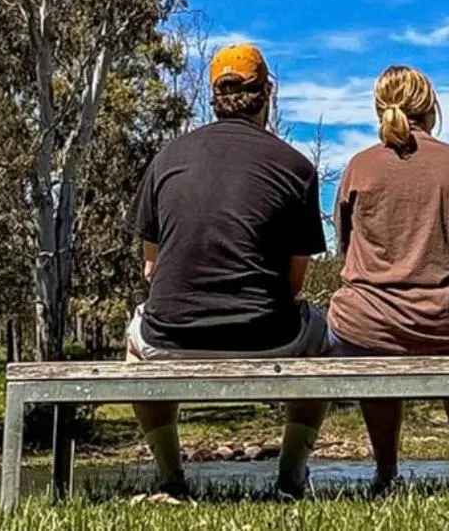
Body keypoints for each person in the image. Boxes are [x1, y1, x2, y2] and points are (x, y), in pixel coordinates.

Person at [125, 43, 329, 500]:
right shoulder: (296, 167)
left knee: (134, 339)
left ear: (213, 96)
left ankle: (171, 479)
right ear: (267, 95)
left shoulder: (165, 159)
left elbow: (151, 269)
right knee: (321, 334)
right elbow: (296, 283)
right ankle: (291, 479)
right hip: (268, 336)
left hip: (169, 339)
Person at [327, 65, 449, 494]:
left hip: (367, 326)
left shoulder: (358, 168)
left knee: (369, 332)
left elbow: (345, 251)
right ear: (432, 108)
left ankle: (386, 472)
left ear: (378, 109)